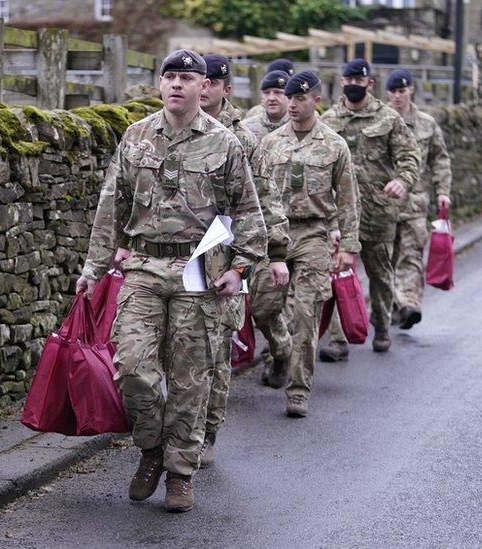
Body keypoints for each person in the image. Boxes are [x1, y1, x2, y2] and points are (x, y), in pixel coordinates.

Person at [76, 49, 267, 513]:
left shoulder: (225, 143)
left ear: (205, 87)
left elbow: (248, 213)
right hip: (143, 266)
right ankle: (151, 450)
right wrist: (93, 269)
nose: (177, 84)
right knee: (133, 367)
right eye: (170, 77)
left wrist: (240, 268)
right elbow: (111, 206)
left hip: (200, 270)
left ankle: (180, 473)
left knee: (189, 378)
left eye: (187, 77)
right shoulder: (137, 136)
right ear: (159, 84)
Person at [251, 70, 360, 418]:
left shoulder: (334, 145)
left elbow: (347, 199)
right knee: (263, 307)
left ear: (316, 100)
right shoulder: (270, 144)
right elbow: (254, 196)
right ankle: (280, 349)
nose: (293, 104)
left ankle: (298, 390)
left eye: (300, 98)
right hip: (274, 236)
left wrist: (347, 246)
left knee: (305, 313)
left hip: (314, 234)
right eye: (290, 98)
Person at [198, 53, 289, 468]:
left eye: (209, 82)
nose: (201, 89)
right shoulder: (166, 127)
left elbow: (265, 202)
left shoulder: (246, 139)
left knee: (217, 350)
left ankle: (207, 430)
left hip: (226, 255)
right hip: (175, 254)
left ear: (224, 88)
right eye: (196, 79)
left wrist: (274, 255)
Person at [319, 59, 419, 359]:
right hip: (340, 214)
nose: (352, 85)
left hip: (378, 211)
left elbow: (409, 156)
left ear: (369, 84)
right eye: (347, 80)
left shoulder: (388, 119)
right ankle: (339, 338)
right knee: (337, 273)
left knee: (379, 273)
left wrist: (403, 181)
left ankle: (382, 326)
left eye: (358, 81)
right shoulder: (330, 120)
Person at [386, 69, 452, 330]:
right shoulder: (382, 121)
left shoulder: (426, 123)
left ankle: (409, 304)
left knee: (411, 255)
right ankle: (392, 305)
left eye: (402, 91)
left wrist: (443, 191)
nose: (398, 96)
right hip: (385, 204)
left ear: (411, 90)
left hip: (415, 204)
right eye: (393, 92)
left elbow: (440, 158)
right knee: (386, 260)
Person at [243, 70, 291, 142]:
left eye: (278, 92)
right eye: (266, 93)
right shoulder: (246, 128)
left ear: (289, 96)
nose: (271, 98)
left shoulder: (299, 126)